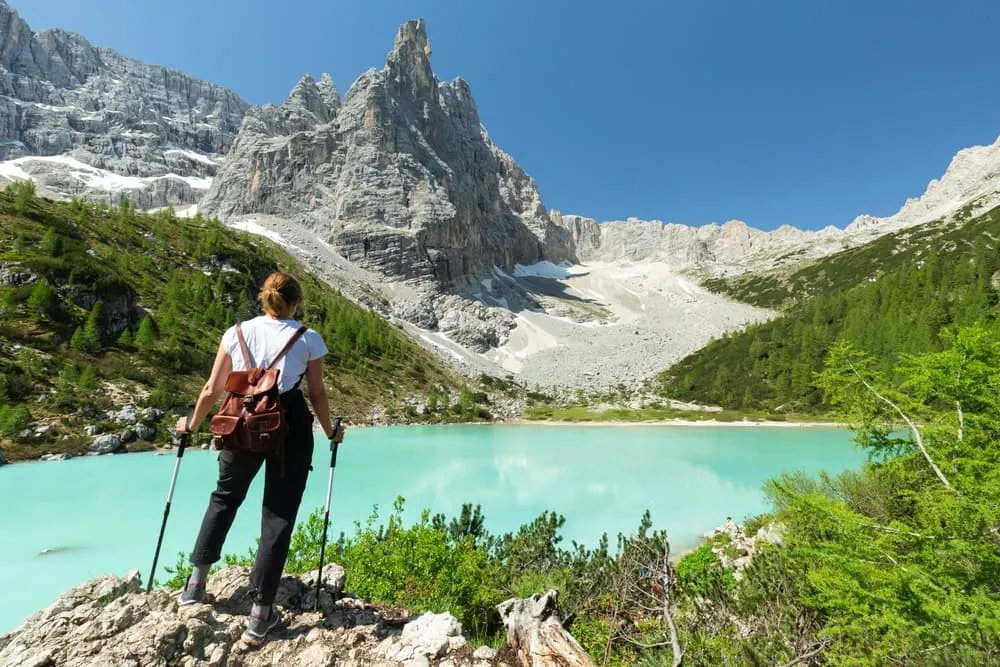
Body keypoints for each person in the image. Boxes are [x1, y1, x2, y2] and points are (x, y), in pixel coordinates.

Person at [173, 271, 344, 646]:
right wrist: (331, 431)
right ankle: (260, 615)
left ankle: (195, 585)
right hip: (290, 428)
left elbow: (211, 387)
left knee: (224, 498)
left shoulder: (235, 333)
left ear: (263, 299)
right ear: (296, 301)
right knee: (278, 515)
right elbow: (316, 393)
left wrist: (190, 423)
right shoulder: (308, 338)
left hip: (239, 423)